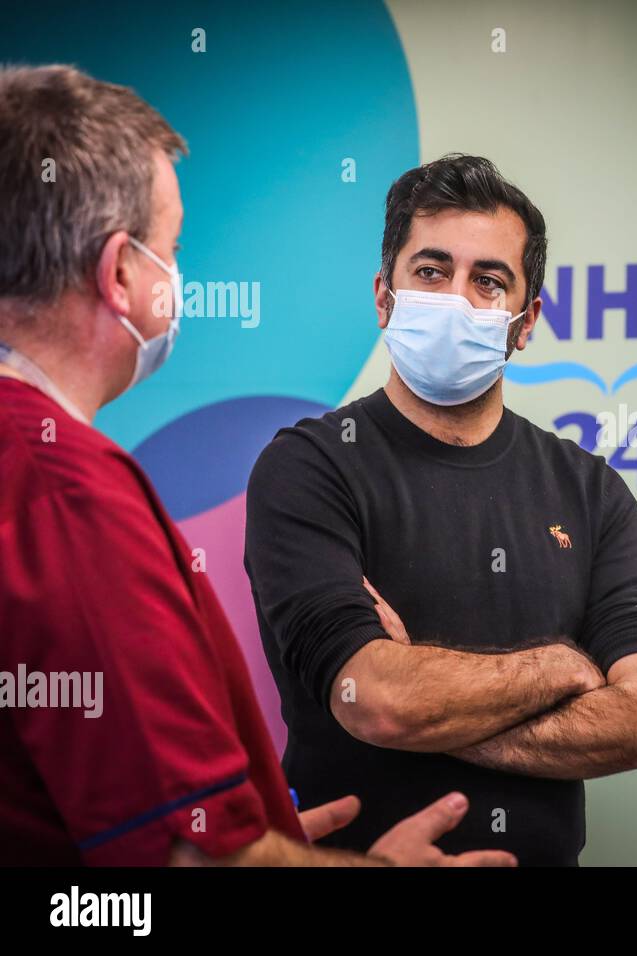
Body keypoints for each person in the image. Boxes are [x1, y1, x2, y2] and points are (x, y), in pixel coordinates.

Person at [0, 64, 512, 866]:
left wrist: (255, 823)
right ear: (121, 272)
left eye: (488, 282)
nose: (177, 273)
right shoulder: (69, 493)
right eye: (169, 248)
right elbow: (189, 859)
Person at [243, 154, 637, 866]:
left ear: (525, 321)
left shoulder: (590, 490)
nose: (456, 298)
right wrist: (559, 668)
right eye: (431, 271)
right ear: (384, 298)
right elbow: (375, 699)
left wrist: (421, 690)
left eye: (488, 281)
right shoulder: (310, 467)